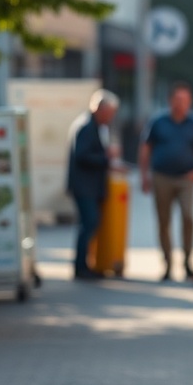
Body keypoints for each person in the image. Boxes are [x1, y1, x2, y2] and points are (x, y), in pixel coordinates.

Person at [138, 81, 193, 282]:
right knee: (163, 221)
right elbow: (145, 148)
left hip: (186, 178)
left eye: (185, 100)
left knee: (188, 218)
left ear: (190, 101)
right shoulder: (158, 122)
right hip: (162, 177)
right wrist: (144, 175)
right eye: (178, 99)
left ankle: (187, 261)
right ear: (170, 100)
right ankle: (167, 263)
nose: (181, 103)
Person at [66, 89, 120, 280]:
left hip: (90, 185)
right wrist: (106, 158)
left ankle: (86, 264)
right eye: (110, 112)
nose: (111, 117)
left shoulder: (94, 126)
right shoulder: (87, 126)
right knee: (89, 223)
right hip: (84, 186)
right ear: (100, 109)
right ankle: (80, 267)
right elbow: (82, 156)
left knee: (89, 224)